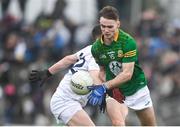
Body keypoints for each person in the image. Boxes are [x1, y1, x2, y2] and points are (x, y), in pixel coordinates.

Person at [29, 25, 128, 126]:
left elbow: (68, 59)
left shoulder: (89, 49)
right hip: (66, 102)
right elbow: (94, 77)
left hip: (68, 101)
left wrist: (48, 72)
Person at [88, 6, 157, 126]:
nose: (106, 30)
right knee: (118, 123)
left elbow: (127, 74)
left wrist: (104, 86)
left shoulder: (128, 42)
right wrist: (111, 88)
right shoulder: (96, 48)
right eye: (103, 26)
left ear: (118, 24)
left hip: (136, 88)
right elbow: (102, 71)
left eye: (110, 27)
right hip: (116, 92)